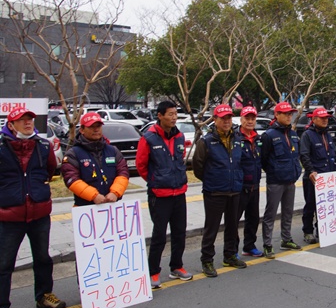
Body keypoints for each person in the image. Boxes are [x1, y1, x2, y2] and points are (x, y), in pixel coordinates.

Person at [0, 107, 65, 308]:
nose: (28, 123)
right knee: (4, 263)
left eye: (30, 119)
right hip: (10, 214)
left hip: (38, 212)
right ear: (11, 125)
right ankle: (1, 306)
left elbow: (49, 171)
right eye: (22, 120)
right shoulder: (1, 146)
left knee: (43, 258)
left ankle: (44, 295)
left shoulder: (43, 146)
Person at [136, 100, 191, 289]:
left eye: (175, 114)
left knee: (179, 232)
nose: (174, 117)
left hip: (179, 193)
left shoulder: (180, 137)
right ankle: (153, 272)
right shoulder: (149, 138)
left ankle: (177, 266)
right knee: (159, 235)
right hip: (159, 195)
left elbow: (180, 160)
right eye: (170, 114)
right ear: (160, 116)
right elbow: (141, 166)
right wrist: (156, 180)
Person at [193, 104, 246, 277]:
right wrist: (213, 180)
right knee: (212, 228)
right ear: (215, 119)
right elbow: (198, 167)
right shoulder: (206, 141)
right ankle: (207, 260)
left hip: (234, 190)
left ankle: (230, 255)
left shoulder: (238, 138)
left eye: (229, 118)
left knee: (232, 226)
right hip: (215, 192)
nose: (226, 121)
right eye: (222, 118)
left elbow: (240, 162)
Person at [260, 102, 303, 257]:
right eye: (285, 114)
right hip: (276, 181)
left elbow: (295, 155)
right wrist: (274, 171)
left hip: (291, 180)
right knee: (271, 213)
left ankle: (286, 239)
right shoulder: (269, 135)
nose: (288, 116)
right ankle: (268, 244)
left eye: (290, 114)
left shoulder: (292, 133)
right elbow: (263, 159)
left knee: (288, 211)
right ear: (276, 115)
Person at [61, 112, 129, 206]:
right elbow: (71, 179)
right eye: (91, 127)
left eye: (98, 126)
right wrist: (93, 195)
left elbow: (123, 172)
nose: (96, 130)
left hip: (113, 207)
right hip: (85, 209)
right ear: (82, 130)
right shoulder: (73, 154)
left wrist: (115, 192)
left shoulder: (113, 150)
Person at [300, 107, 336, 241]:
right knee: (311, 205)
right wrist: (311, 171)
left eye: (327, 118)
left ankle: (323, 229)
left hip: (328, 177)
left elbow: (334, 153)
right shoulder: (307, 135)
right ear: (314, 119)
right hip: (314, 177)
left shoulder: (327, 134)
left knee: (326, 206)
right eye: (322, 118)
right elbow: (304, 155)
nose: (325, 120)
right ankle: (308, 232)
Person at [234, 106, 264, 257]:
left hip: (255, 185)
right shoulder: (235, 137)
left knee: (253, 218)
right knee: (234, 220)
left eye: (253, 118)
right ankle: (232, 250)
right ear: (241, 119)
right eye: (247, 118)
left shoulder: (258, 138)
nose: (250, 121)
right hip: (239, 187)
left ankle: (249, 246)